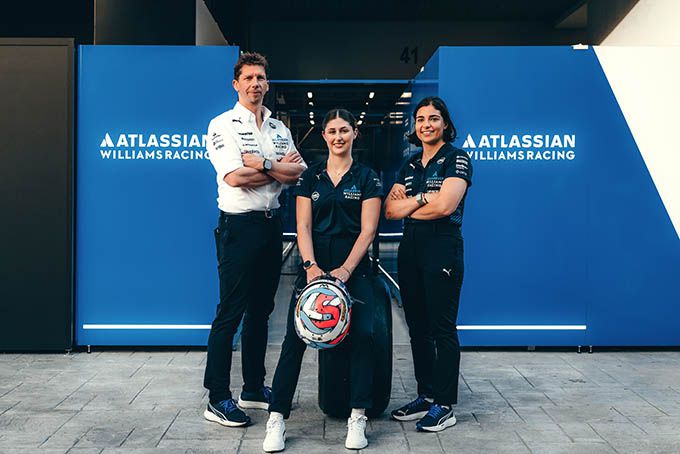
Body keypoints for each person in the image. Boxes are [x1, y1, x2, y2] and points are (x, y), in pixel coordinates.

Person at [262, 109, 383, 452]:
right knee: (295, 338)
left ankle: (357, 416)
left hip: (354, 267)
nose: (338, 137)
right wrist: (310, 266)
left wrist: (345, 271)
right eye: (332, 131)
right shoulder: (310, 176)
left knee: (362, 336)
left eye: (344, 130)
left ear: (355, 133)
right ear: (324, 136)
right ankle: (277, 418)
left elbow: (368, 230)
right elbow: (302, 226)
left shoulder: (368, 177)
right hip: (315, 267)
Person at [203, 52, 306, 427]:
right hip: (239, 226)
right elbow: (234, 177)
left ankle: (253, 388)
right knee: (230, 312)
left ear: (267, 83)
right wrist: (279, 170)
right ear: (236, 84)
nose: (255, 84)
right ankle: (217, 397)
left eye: (260, 77)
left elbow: (298, 172)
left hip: (270, 225)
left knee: (262, 311)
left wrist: (262, 164)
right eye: (248, 78)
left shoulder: (278, 128)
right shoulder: (222, 125)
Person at [384, 96, 472, 432]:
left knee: (441, 328)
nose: (426, 125)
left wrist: (409, 205)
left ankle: (444, 405)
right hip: (410, 247)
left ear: (445, 124)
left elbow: (446, 206)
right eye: (420, 119)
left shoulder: (456, 158)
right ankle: (426, 395)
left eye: (433, 118)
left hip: (442, 246)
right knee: (418, 327)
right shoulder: (409, 165)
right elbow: (391, 211)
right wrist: (422, 198)